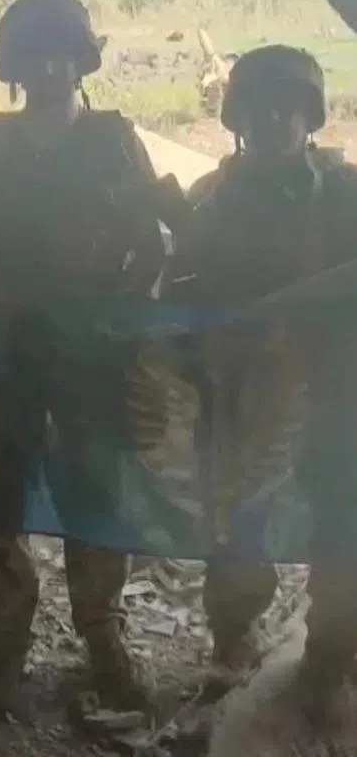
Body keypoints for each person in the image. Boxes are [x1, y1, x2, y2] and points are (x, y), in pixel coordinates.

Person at [0, 0, 166, 716]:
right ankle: (7, 643)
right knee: (6, 503)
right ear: (14, 64)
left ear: (81, 59)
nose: (48, 66)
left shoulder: (114, 139)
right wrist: (0, 300)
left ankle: (104, 638)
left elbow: (152, 241)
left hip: (92, 358)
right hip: (9, 356)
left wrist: (114, 312)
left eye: (60, 52)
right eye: (35, 53)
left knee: (96, 498)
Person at [164, 45, 357, 711]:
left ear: (310, 116)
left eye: (288, 107)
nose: (274, 120)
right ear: (236, 117)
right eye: (258, 108)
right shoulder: (210, 199)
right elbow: (178, 294)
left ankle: (330, 660)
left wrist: (282, 310)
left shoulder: (343, 191)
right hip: (243, 394)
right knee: (238, 530)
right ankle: (233, 647)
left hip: (332, 396)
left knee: (342, 532)